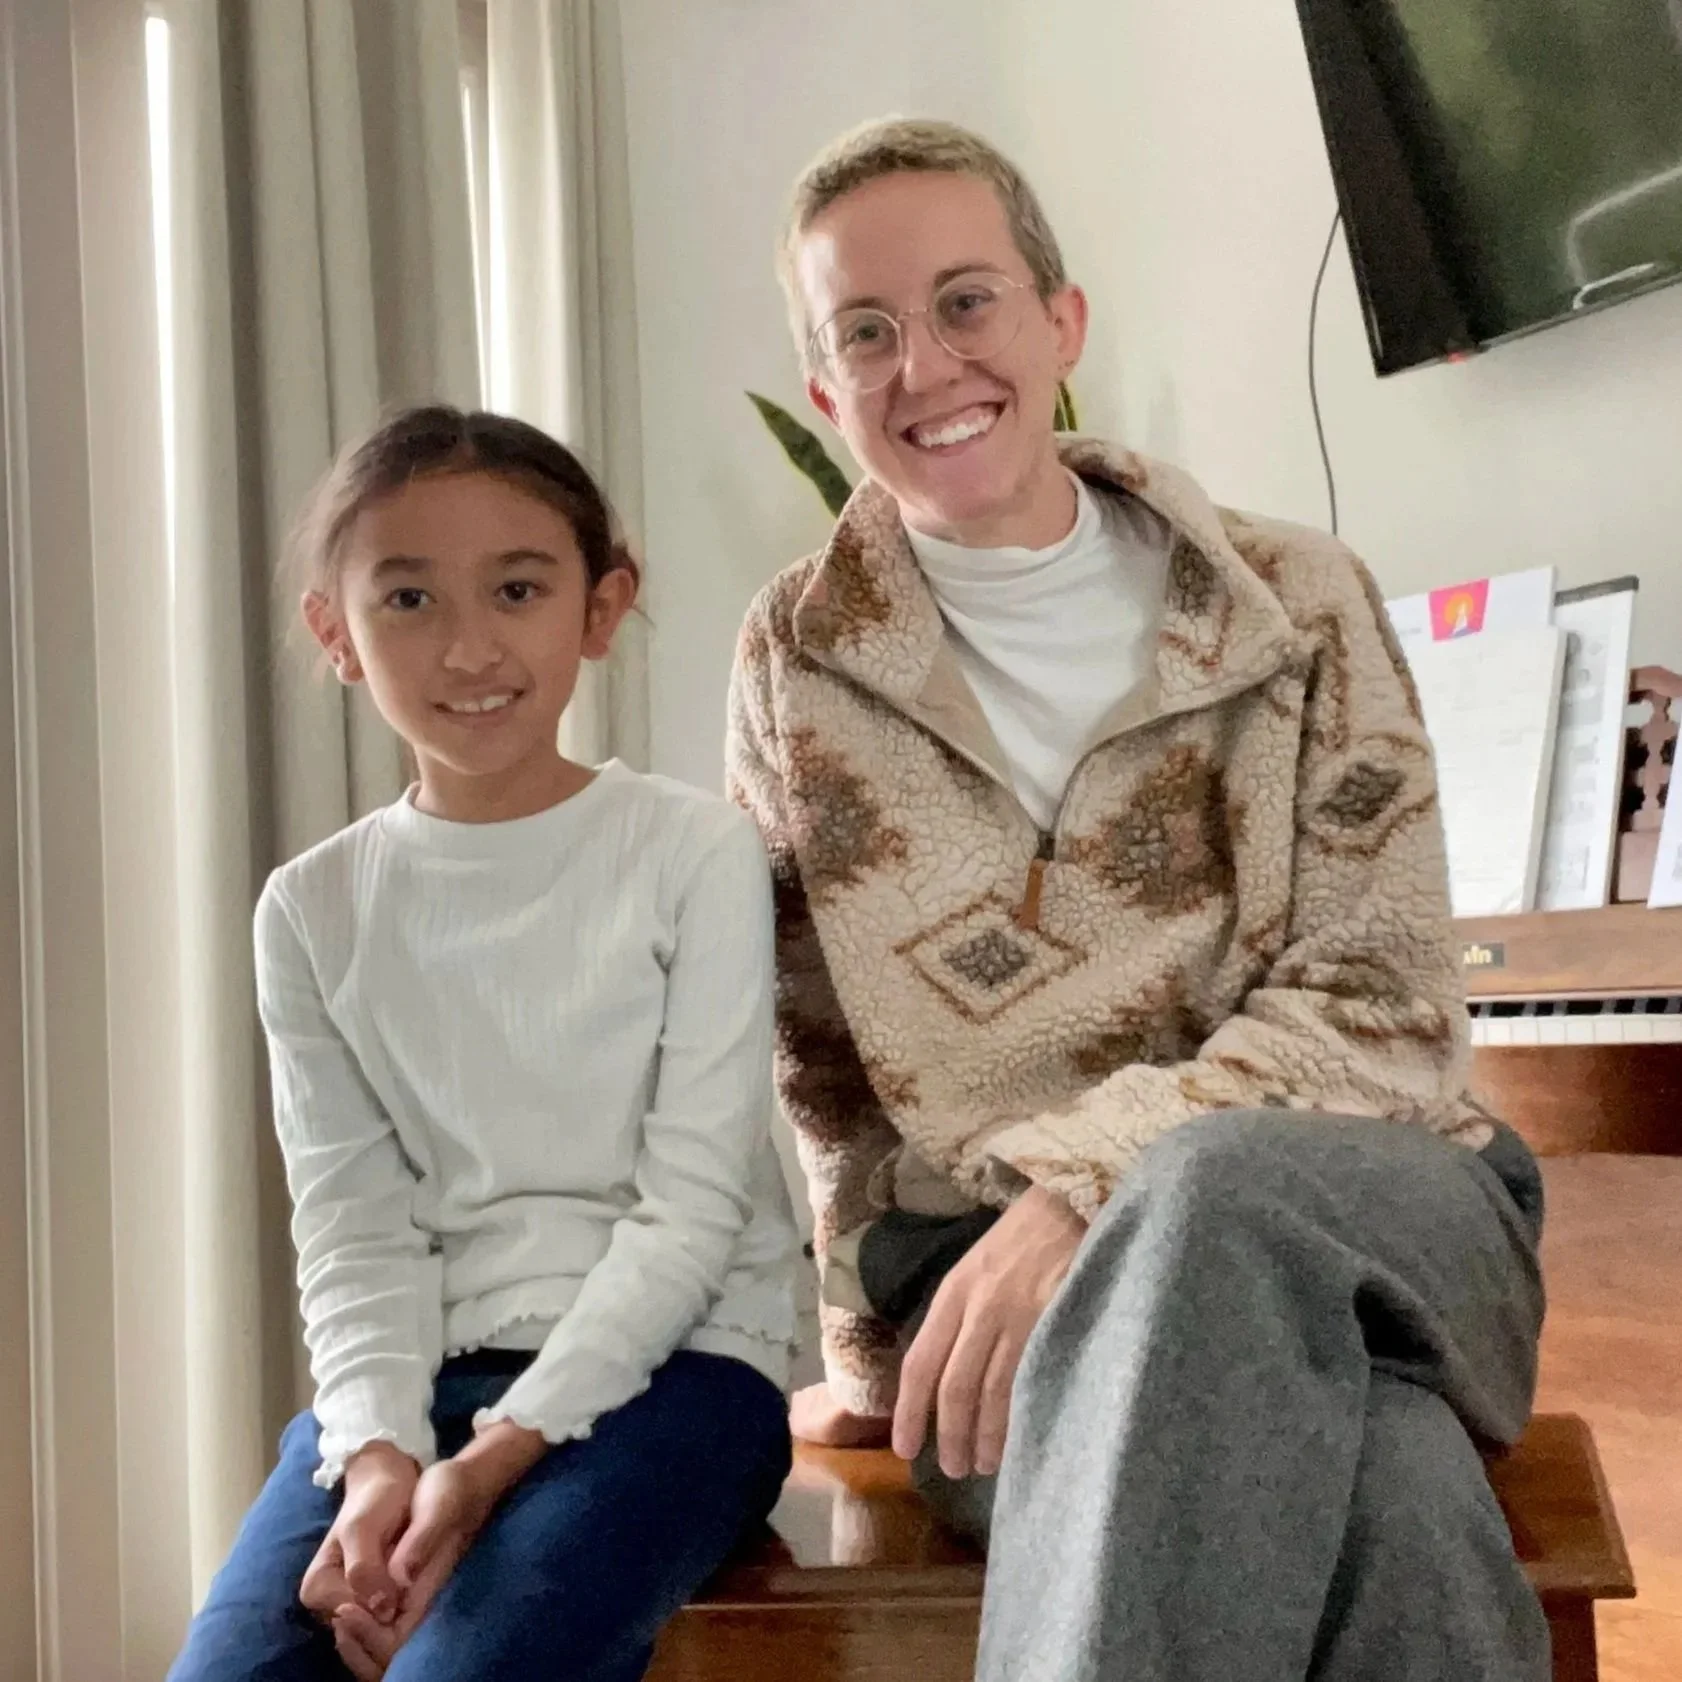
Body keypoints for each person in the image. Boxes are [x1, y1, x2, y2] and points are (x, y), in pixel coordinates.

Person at [728, 119, 1549, 1682]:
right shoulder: (794, 661)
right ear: (826, 394)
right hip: (988, 1299)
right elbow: (817, 1059)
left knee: (1209, 1190)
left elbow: (1383, 1014)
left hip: (1387, 1216)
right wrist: (862, 1349)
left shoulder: (1296, 600)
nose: (924, 363)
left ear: (1061, 322)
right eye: (865, 332)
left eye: (966, 301)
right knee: (1396, 1489)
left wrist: (1085, 1187)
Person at [169, 406, 798, 1682]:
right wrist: (379, 1457)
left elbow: (690, 1212)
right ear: (334, 633)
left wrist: (493, 1462)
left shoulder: (691, 851)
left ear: (601, 605)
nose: (467, 646)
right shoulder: (311, 907)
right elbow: (354, 1229)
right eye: (408, 598)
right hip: (421, 1393)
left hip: (680, 1378)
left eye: (517, 589)